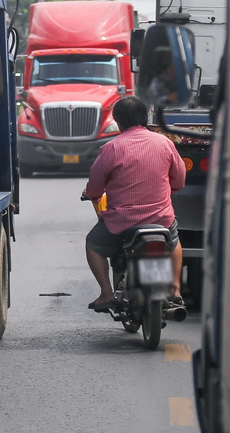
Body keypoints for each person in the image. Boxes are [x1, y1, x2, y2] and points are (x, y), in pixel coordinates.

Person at [83, 95, 186, 311]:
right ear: (146, 118)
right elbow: (179, 178)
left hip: (122, 223)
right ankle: (175, 289)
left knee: (93, 244)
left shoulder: (111, 149)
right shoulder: (165, 143)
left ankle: (107, 294)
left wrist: (92, 195)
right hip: (161, 218)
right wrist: (171, 189)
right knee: (174, 240)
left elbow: (95, 186)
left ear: (118, 122)